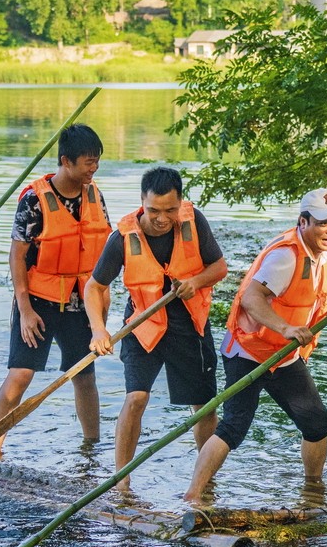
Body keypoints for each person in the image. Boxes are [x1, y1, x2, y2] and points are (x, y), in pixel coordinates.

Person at [183, 188, 327, 504]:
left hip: (283, 356)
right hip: (249, 351)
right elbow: (251, 297)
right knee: (233, 428)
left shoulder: (323, 253)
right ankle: (194, 496)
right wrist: (286, 327)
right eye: (323, 223)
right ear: (304, 222)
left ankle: (313, 491)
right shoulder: (285, 256)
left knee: (317, 424)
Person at [83, 166, 229, 483]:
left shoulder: (195, 221)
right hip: (143, 324)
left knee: (202, 406)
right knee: (136, 398)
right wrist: (98, 328)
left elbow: (219, 267)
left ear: (180, 203)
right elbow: (93, 287)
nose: (162, 219)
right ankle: (120, 482)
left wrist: (196, 281)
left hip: (190, 325)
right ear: (141, 202)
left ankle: (206, 483)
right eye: (153, 211)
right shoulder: (123, 237)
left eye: (169, 210)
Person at [0, 123, 109, 455]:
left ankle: (91, 448)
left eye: (97, 160)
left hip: (80, 304)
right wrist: (25, 311)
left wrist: (101, 316)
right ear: (66, 161)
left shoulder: (95, 194)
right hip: (39, 302)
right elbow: (17, 256)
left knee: (84, 375)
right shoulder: (33, 200)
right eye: (88, 161)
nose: (93, 168)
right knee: (21, 374)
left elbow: (103, 260)